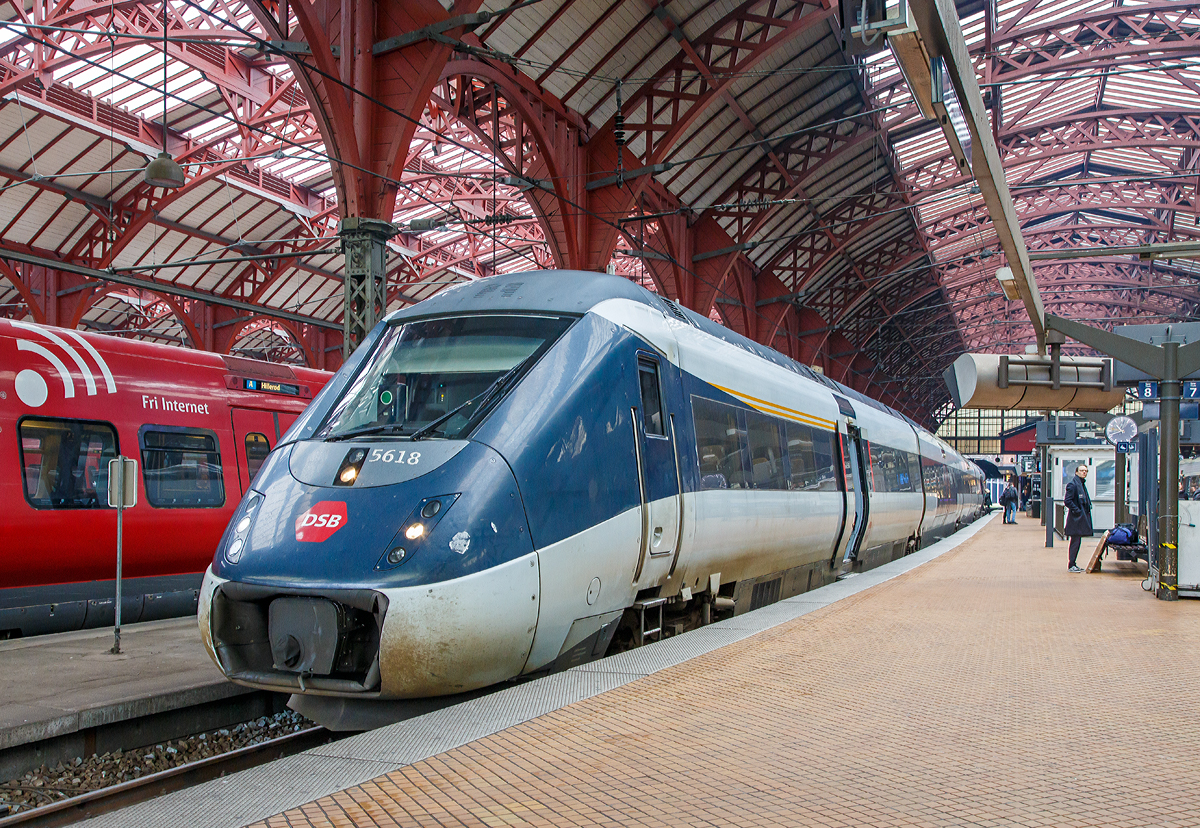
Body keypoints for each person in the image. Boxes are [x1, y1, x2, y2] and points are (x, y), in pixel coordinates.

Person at [1064, 464, 1093, 573]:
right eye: (1081, 470)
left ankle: (1073, 563)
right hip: (1076, 519)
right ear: (1076, 472)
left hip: (1079, 518)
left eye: (1086, 471)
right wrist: (1077, 511)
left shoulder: (1080, 484)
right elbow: (1067, 501)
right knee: (1075, 541)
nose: (1084, 472)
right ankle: (1071, 564)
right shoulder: (1073, 485)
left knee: (1076, 541)